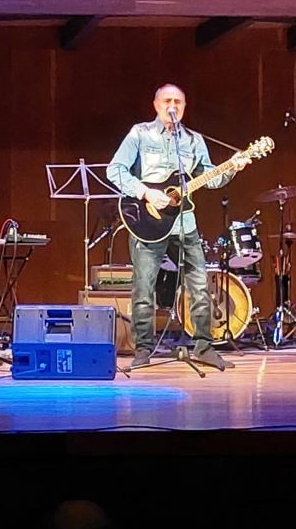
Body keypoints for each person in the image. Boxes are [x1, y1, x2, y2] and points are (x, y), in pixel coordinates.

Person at [107, 83, 250, 370]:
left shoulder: (194, 140)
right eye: (167, 101)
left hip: (184, 224)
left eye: (178, 102)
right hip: (147, 224)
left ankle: (204, 346)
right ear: (156, 105)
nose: (172, 106)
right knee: (144, 289)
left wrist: (232, 168)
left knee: (200, 287)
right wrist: (147, 193)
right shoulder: (140, 133)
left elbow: (210, 178)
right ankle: (143, 349)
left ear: (184, 107)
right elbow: (115, 170)